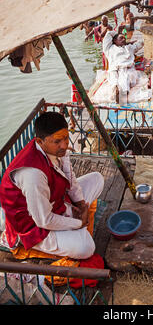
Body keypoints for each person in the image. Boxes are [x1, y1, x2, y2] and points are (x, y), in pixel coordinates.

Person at [0, 111, 104, 259]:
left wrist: (81, 205)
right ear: (40, 142)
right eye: (57, 141)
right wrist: (78, 223)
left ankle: (72, 227)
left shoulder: (58, 150)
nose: (64, 145)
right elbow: (44, 220)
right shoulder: (33, 174)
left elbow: (70, 177)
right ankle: (17, 236)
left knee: (97, 179)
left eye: (66, 138)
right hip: (34, 224)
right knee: (87, 248)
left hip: (55, 202)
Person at [102, 30, 144, 103]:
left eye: (124, 38)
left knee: (126, 79)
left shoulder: (130, 48)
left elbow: (141, 43)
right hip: (114, 69)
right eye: (121, 38)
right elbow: (108, 34)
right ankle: (116, 90)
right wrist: (117, 33)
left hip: (127, 68)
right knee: (114, 79)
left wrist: (129, 43)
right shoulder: (109, 48)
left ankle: (122, 93)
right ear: (115, 40)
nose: (124, 39)